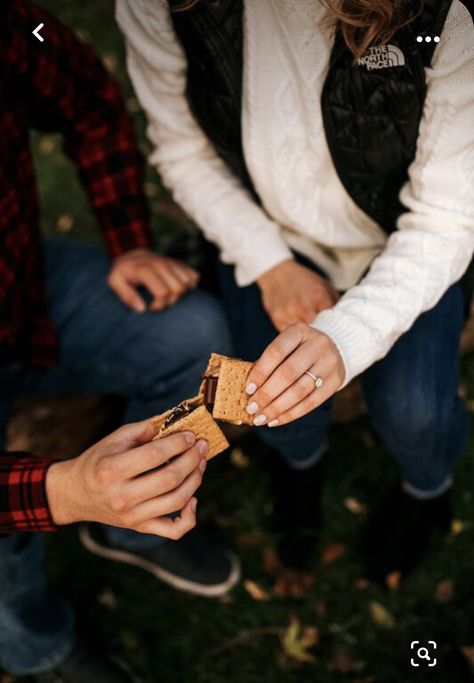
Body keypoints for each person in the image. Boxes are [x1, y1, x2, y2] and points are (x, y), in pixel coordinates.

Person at [116, 0, 474, 579]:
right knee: (269, 404)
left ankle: (427, 491)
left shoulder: (444, 12)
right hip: (271, 237)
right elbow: (182, 150)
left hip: (406, 242)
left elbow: (448, 216)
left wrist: (348, 335)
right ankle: (299, 469)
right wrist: (269, 264)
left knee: (417, 413)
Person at [0, 1, 239, 681]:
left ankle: (131, 525)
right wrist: (67, 489)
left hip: (25, 293)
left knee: (200, 340)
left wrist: (129, 237)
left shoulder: (13, 25)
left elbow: (89, 102)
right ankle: (36, 645)